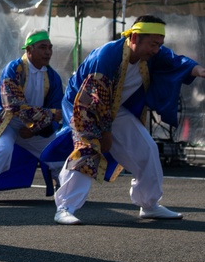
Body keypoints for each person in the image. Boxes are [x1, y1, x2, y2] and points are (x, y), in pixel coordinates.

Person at [41, 15, 205, 225]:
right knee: (88, 150)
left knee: (148, 149)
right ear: (135, 38)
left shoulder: (152, 55)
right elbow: (96, 100)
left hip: (114, 109)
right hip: (83, 107)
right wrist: (105, 134)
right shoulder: (108, 55)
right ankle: (65, 207)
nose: (156, 49)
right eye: (153, 44)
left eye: (159, 44)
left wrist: (199, 70)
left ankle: (149, 204)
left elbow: (176, 61)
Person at [0, 30, 64, 205]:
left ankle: (64, 191)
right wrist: (47, 117)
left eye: (50, 48)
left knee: (57, 152)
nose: (48, 52)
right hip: (7, 122)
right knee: (1, 150)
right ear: (29, 49)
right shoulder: (13, 69)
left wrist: (35, 128)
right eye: (43, 47)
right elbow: (13, 105)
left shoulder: (53, 77)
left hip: (35, 127)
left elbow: (57, 110)